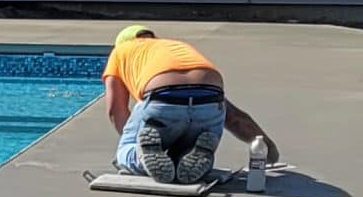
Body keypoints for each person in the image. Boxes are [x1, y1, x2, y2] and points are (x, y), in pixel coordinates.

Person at [103, 25, 276, 184]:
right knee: (185, 149)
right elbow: (234, 118)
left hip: (163, 98)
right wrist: (268, 148)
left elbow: (115, 110)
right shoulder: (175, 47)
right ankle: (190, 154)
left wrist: (134, 141)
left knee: (126, 151)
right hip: (210, 99)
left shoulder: (120, 52)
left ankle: (140, 158)